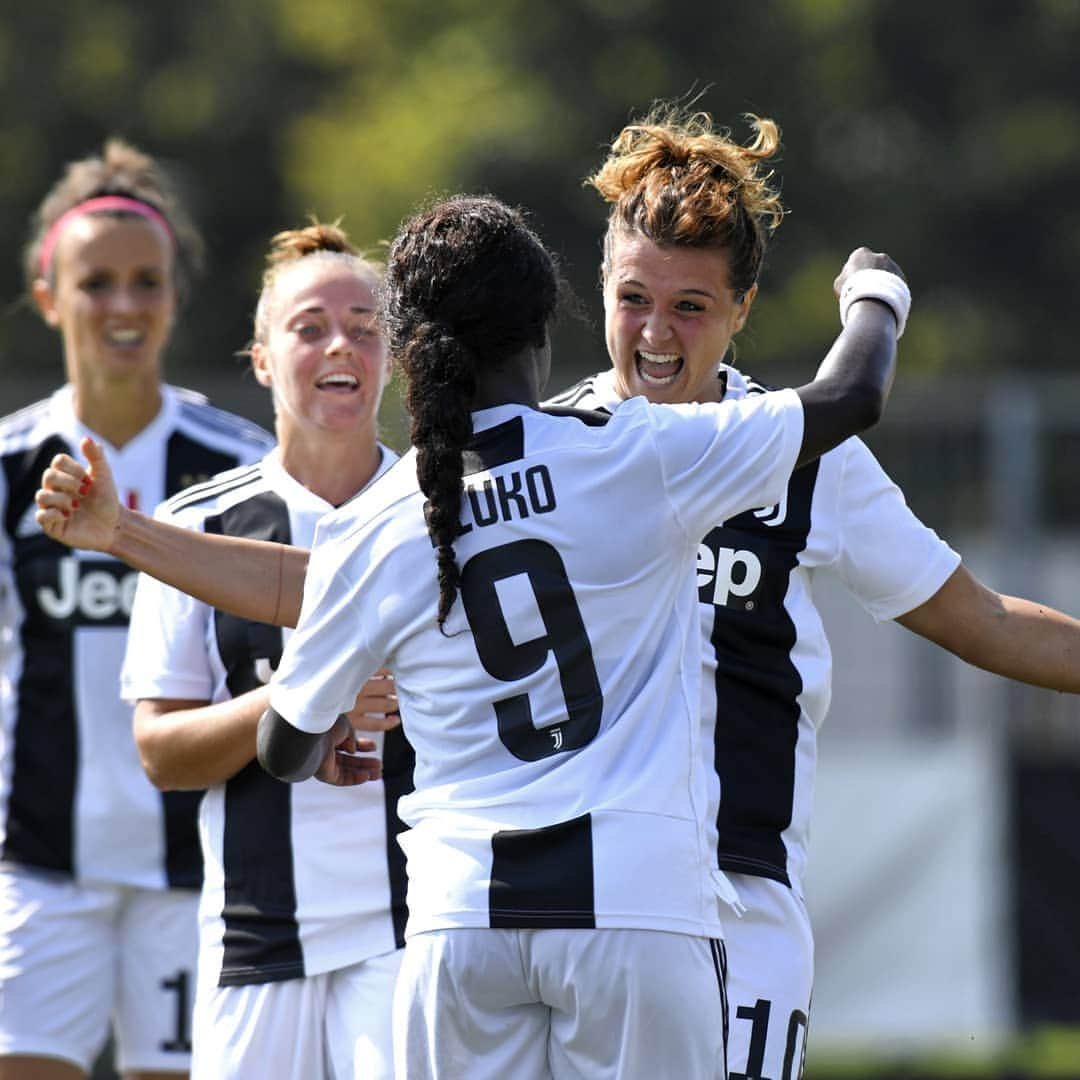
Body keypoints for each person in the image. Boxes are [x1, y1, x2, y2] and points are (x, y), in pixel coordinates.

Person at [254, 193, 904, 1080]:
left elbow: (281, 746)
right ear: (543, 333)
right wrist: (876, 296)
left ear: (407, 353)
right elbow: (851, 394)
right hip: (637, 911)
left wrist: (328, 731)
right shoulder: (636, 455)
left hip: (459, 923)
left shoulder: (372, 525)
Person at [544, 105, 1080, 1079]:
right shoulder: (547, 451)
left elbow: (982, 619)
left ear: (743, 308)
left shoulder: (804, 454)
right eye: (633, 300)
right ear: (602, 289)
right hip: (571, 899)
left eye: (692, 307)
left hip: (734, 896)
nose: (656, 335)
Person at [0, 141, 273, 1080]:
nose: (123, 307)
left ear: (174, 295)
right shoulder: (7, 467)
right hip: (36, 868)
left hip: (196, 872)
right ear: (48, 295)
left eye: (145, 282)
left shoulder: (238, 463)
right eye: (96, 283)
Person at [118, 222, 411, 1080]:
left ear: (392, 355)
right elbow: (160, 754)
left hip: (407, 927)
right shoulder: (196, 528)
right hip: (254, 934)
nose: (340, 346)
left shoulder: (441, 508)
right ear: (259, 356)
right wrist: (297, 700)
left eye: (365, 327)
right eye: (310, 325)